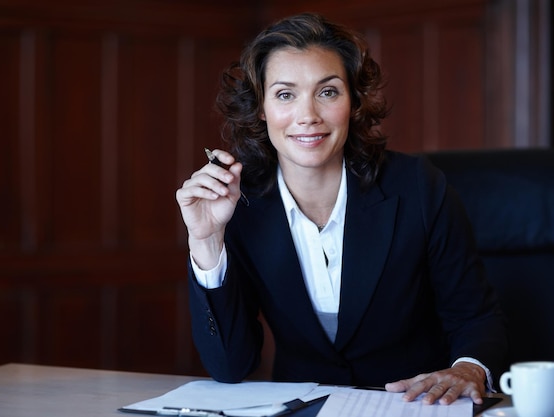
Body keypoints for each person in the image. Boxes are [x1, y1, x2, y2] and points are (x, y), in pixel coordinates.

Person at [175, 13, 507, 406]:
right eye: (285, 95)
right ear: (261, 109)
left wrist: (469, 367)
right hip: (304, 410)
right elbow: (231, 366)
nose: (308, 115)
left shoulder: (417, 186)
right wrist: (208, 241)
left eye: (328, 92)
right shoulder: (240, 204)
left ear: (353, 101)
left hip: (413, 407)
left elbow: (475, 316)